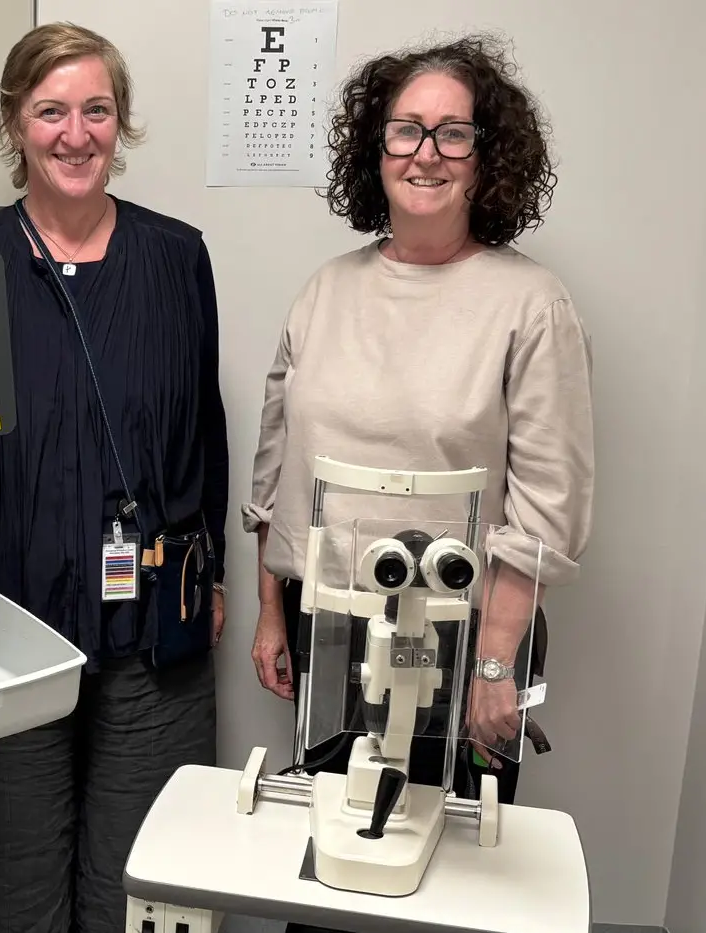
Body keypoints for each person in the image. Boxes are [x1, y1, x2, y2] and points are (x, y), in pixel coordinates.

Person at [245, 34, 594, 929]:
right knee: (335, 867)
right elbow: (278, 463)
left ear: (489, 158)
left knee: (448, 886)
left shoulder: (529, 304)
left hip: (467, 633)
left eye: (453, 134)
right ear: (377, 148)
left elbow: (545, 508)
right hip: (335, 634)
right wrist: (273, 611)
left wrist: (492, 666)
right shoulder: (328, 290)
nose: (426, 153)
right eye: (406, 131)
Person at [0, 22, 230, 933]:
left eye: (96, 110)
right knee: (2, 887)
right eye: (51, 111)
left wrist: (219, 576)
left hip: (151, 631)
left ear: (121, 125)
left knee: (145, 883)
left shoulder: (175, 259)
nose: (75, 134)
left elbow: (204, 421)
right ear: (14, 123)